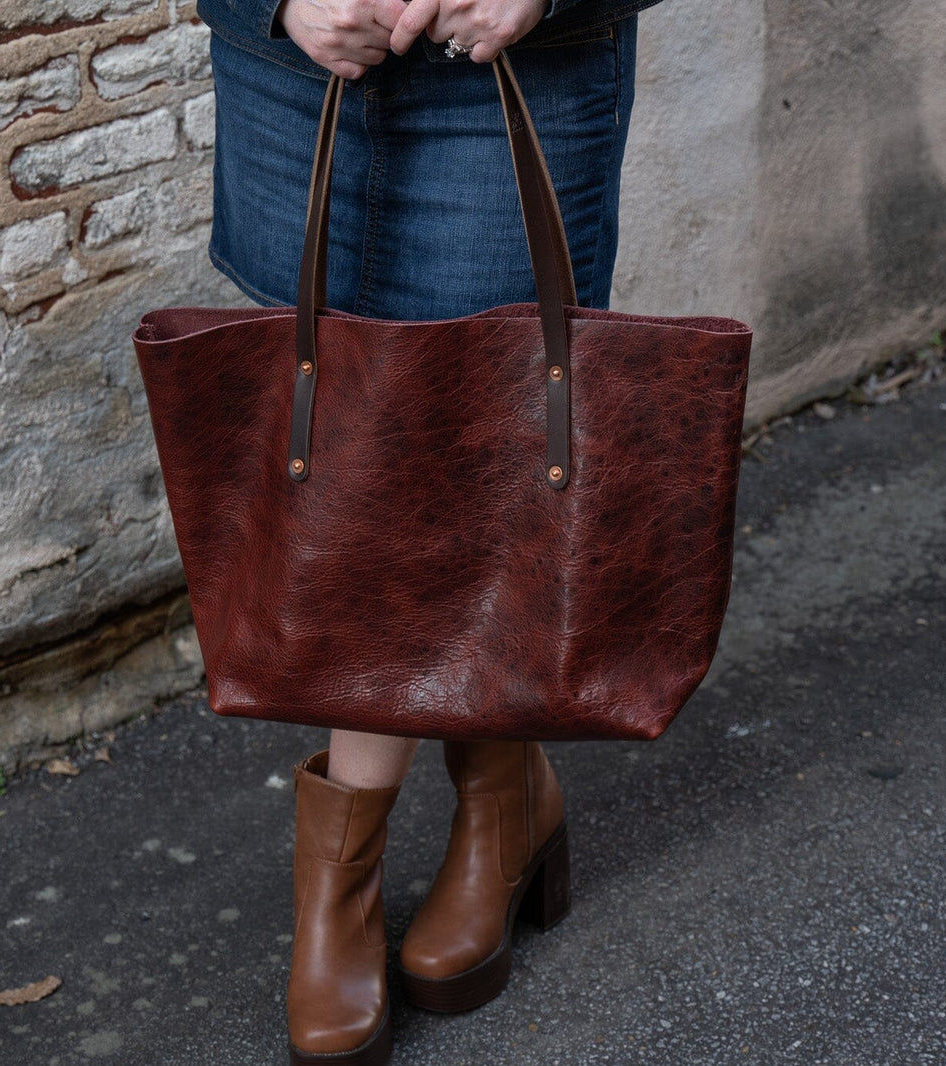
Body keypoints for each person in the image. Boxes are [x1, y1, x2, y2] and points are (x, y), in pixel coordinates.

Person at [194, 0, 662, 1061]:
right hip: (295, 65)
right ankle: (507, 798)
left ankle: (347, 875)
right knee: (346, 446)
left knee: (473, 439)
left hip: (514, 60)